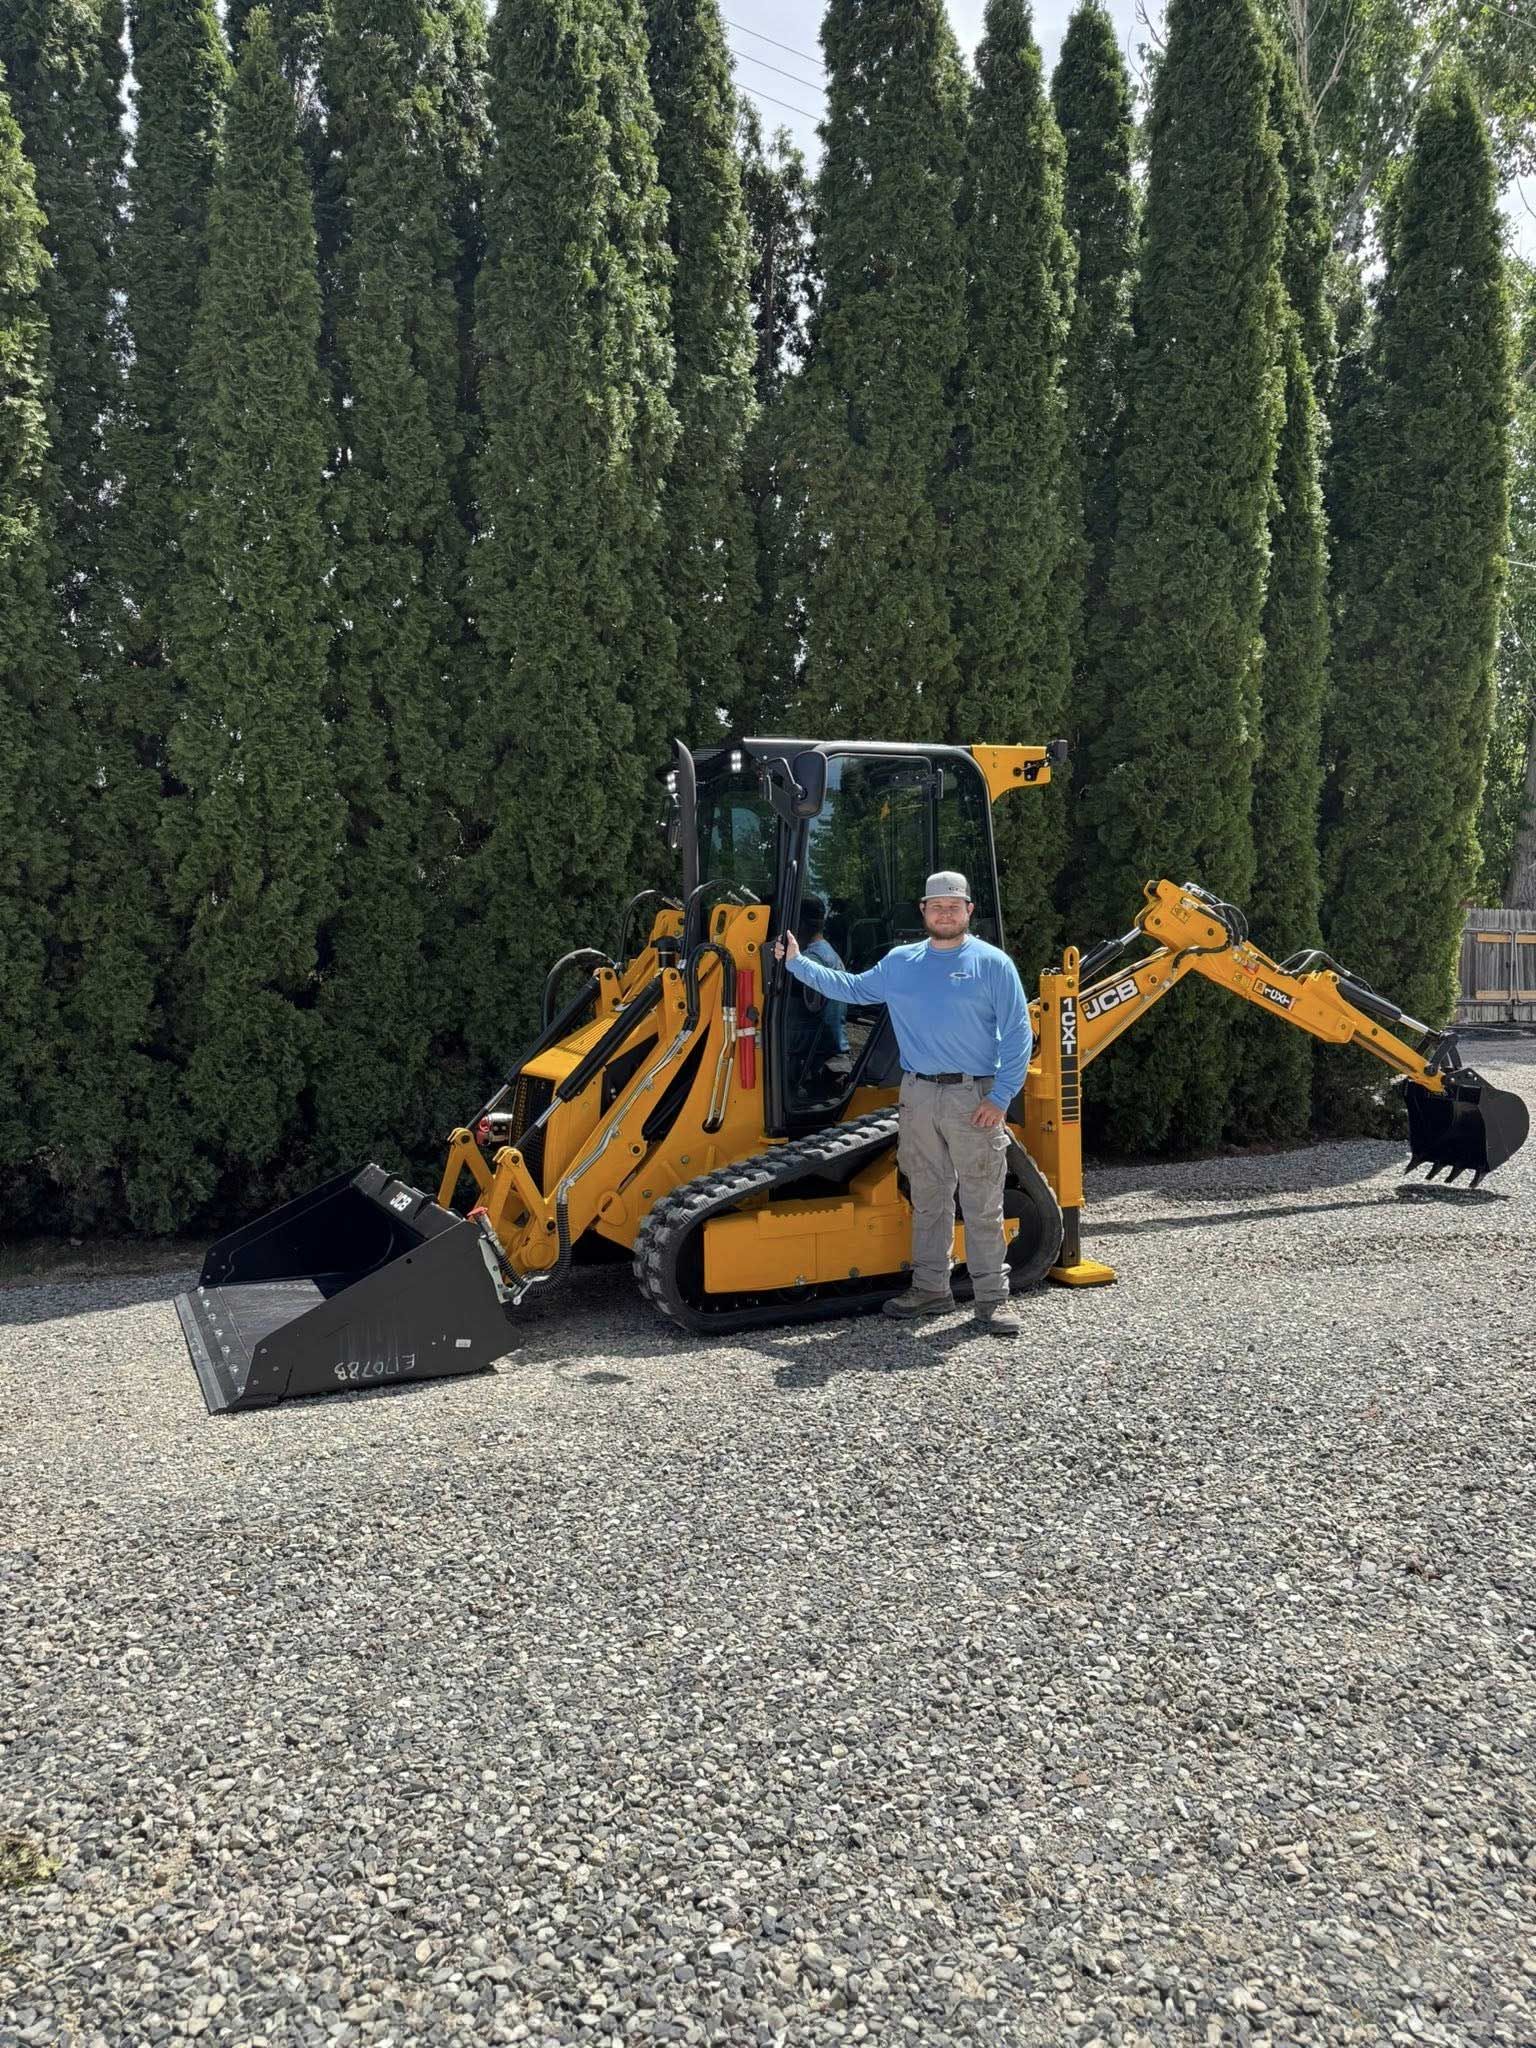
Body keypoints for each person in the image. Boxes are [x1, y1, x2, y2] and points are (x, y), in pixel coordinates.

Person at [773, 871, 1032, 1336]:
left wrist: (1000, 1096)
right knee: (929, 1197)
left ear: (969, 911)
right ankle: (931, 1289)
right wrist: (797, 963)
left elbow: (1018, 1035)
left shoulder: (993, 964)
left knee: (981, 1202)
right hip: (917, 1095)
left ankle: (992, 1300)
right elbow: (851, 989)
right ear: (923, 910)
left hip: (973, 1096)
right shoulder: (900, 963)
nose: (946, 913)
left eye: (955, 907)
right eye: (938, 906)